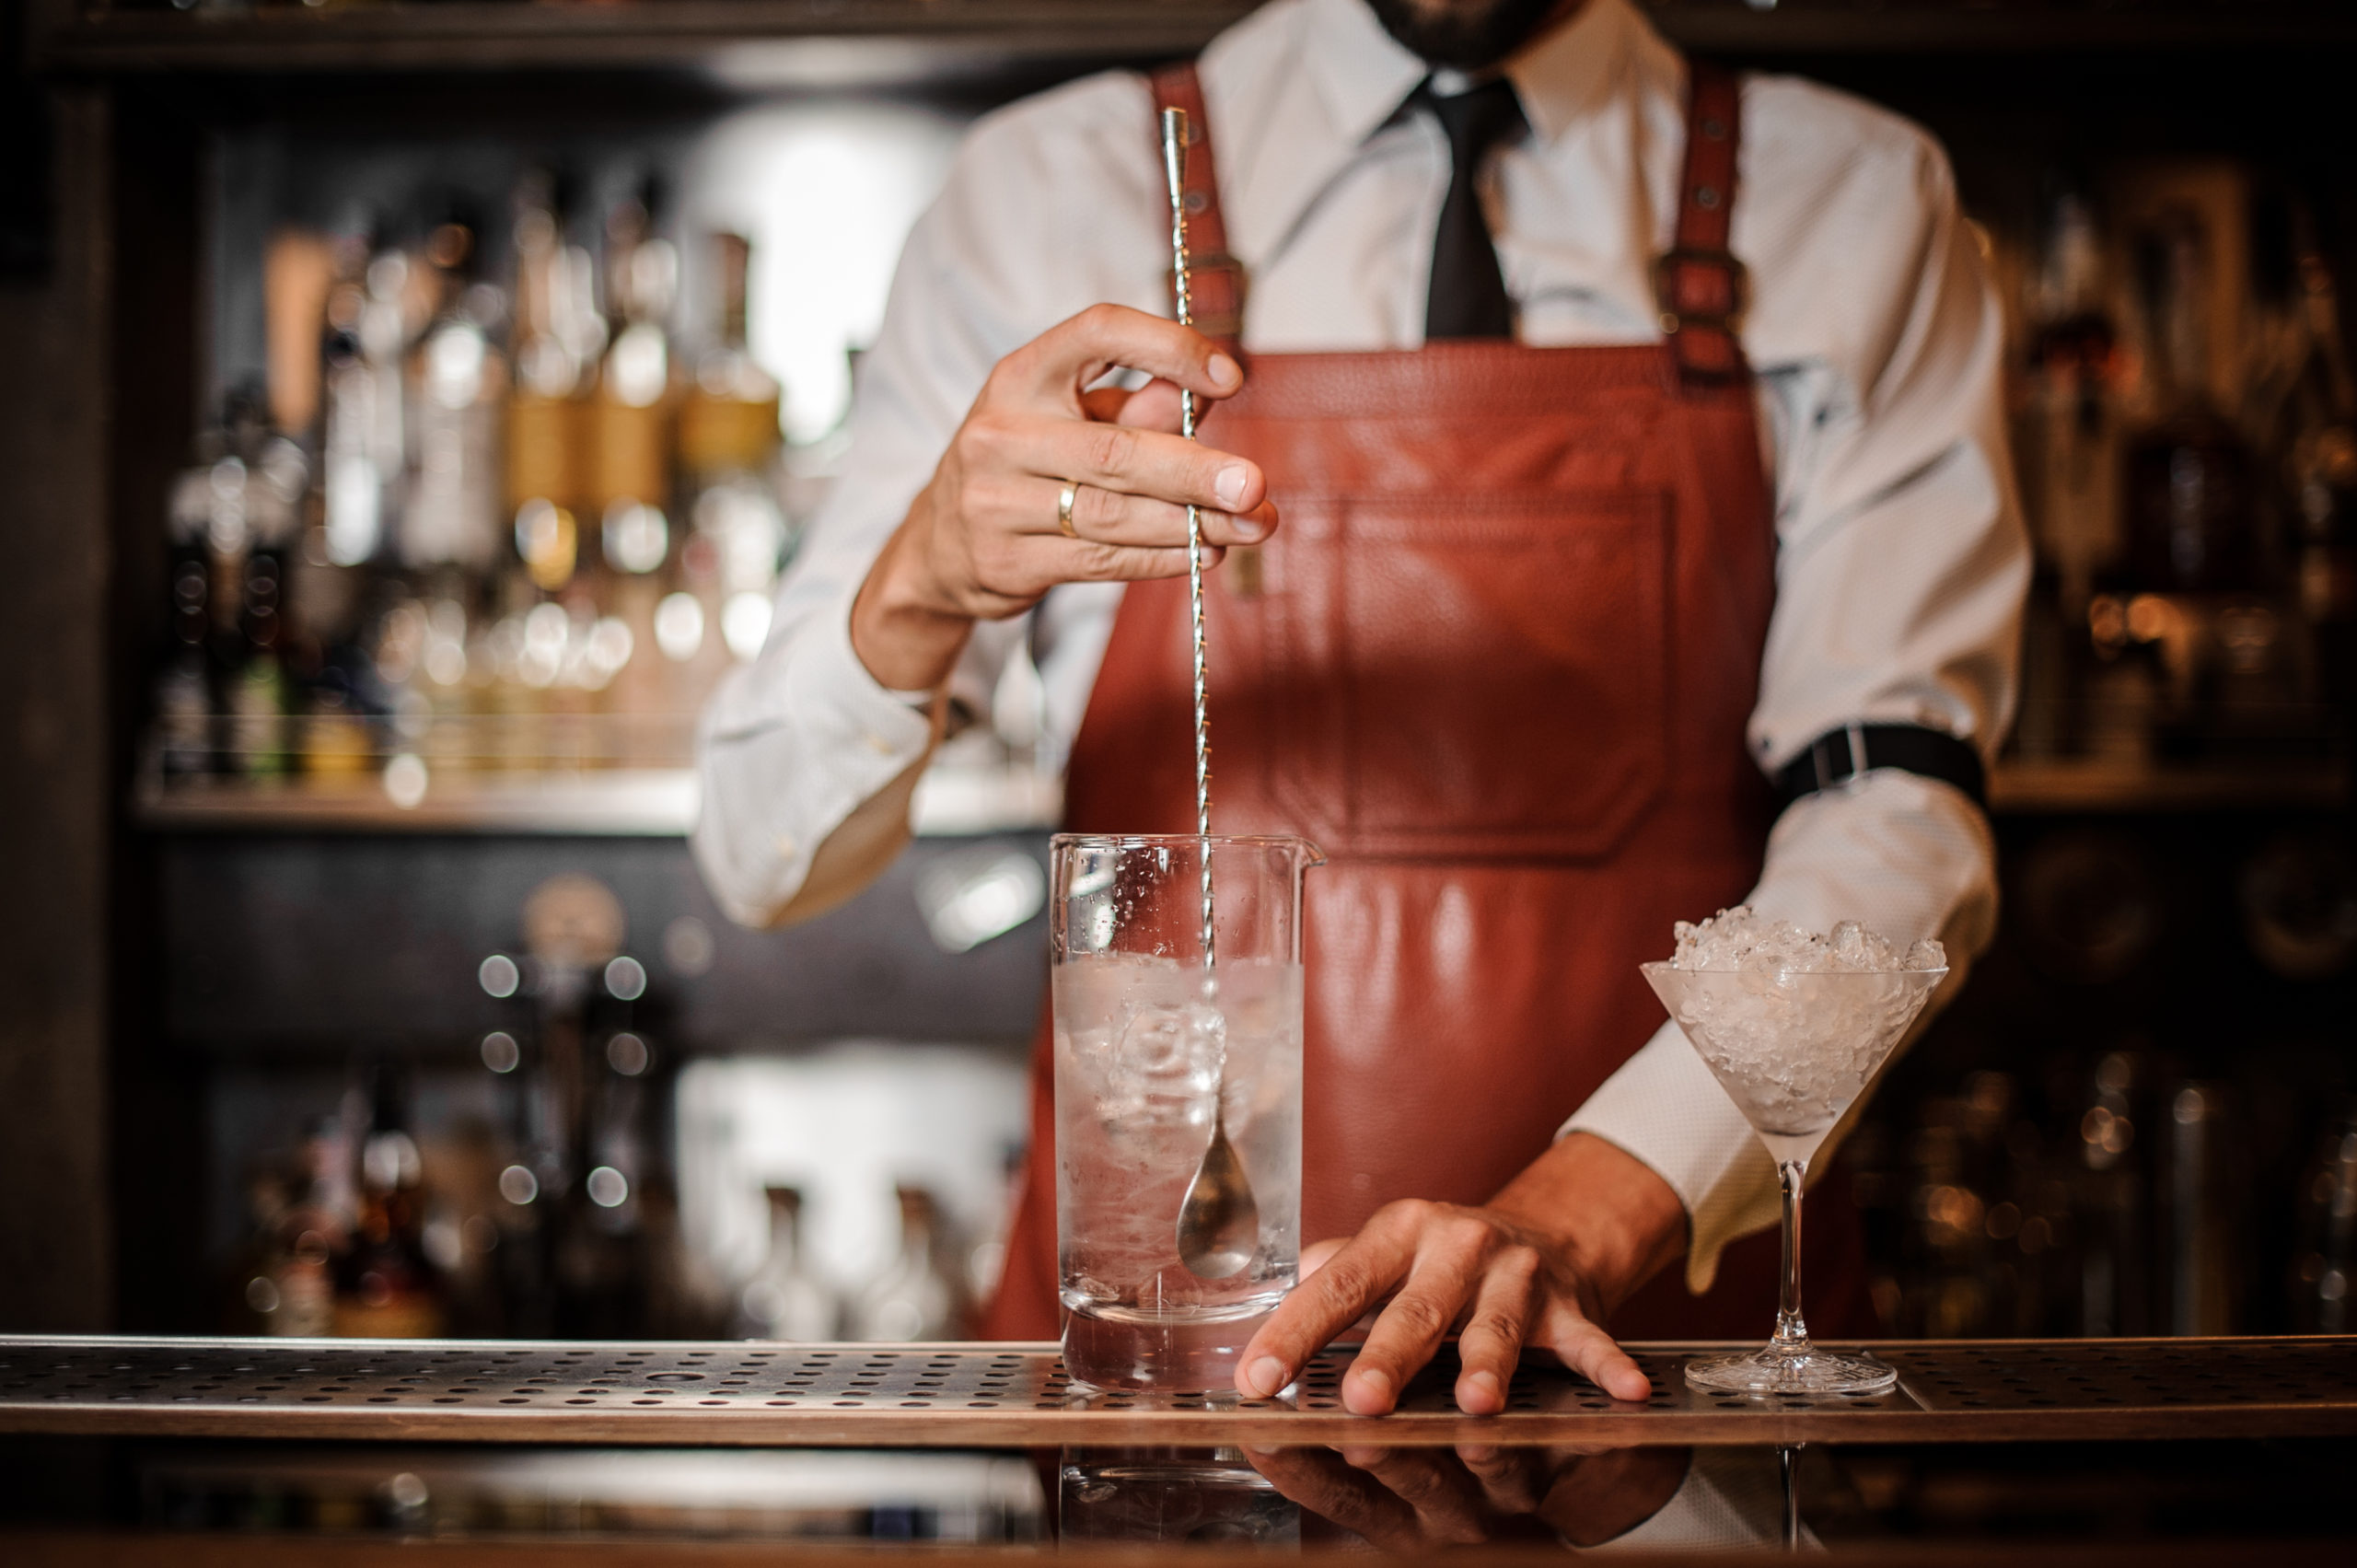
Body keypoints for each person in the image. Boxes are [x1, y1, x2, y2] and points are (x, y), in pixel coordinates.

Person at [694, 0, 2026, 1416]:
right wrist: (920, 582)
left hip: (1659, 1374)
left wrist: (1591, 1206)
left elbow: (1897, 812)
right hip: (1164, 1386)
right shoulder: (1043, 191)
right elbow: (762, 856)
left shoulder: (1857, 203)